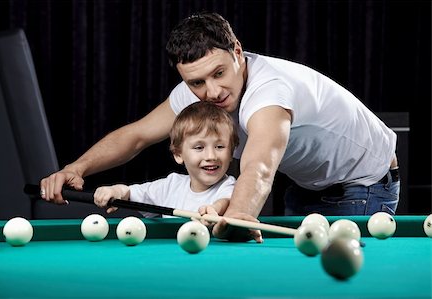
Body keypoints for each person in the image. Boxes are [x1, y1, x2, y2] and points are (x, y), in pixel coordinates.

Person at [40, 12, 400, 242]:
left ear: (238, 52)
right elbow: (135, 135)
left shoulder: (269, 91)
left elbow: (259, 166)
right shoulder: (196, 91)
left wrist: (241, 215)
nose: (211, 92)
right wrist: (76, 168)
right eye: (196, 83)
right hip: (308, 186)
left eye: (219, 73)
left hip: (362, 184)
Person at [92, 101, 240, 228]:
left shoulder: (230, 186)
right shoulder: (171, 186)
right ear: (178, 154)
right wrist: (115, 191)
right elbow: (130, 193)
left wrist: (214, 209)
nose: (211, 156)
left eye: (220, 147)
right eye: (199, 147)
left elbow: (226, 201)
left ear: (231, 151)